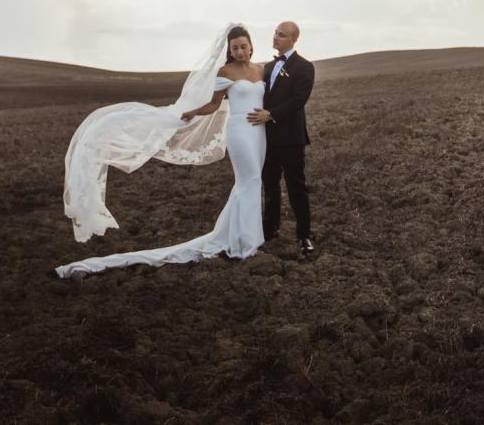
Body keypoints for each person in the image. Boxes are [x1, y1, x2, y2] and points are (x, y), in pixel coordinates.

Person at [55, 24, 268, 277]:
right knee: (249, 180)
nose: (240, 51)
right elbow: (213, 105)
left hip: (259, 132)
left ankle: (240, 235)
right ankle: (245, 243)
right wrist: (191, 113)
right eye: (235, 48)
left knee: (252, 182)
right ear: (230, 51)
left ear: (251, 46)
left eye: (244, 46)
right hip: (240, 132)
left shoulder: (261, 69)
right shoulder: (226, 71)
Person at [248, 21, 316, 253]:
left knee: (296, 186)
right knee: (270, 184)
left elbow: (299, 99)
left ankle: (304, 236)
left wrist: (272, 114)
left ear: (293, 40)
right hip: (266, 136)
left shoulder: (305, 67)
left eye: (282, 35)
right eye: (276, 33)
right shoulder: (266, 67)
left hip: (291, 137)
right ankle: (269, 229)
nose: (276, 37)